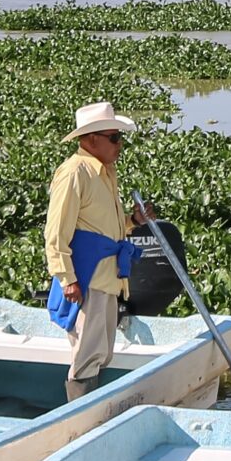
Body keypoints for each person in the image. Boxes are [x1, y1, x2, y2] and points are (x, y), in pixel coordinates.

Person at [46, 101, 152, 401]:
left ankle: (89, 416)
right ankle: (80, 423)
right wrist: (67, 279)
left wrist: (134, 221)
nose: (119, 145)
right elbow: (56, 232)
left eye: (120, 138)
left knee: (102, 351)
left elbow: (107, 226)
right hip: (87, 278)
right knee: (87, 355)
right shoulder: (74, 172)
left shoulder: (105, 171)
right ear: (90, 139)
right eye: (114, 138)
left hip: (108, 278)